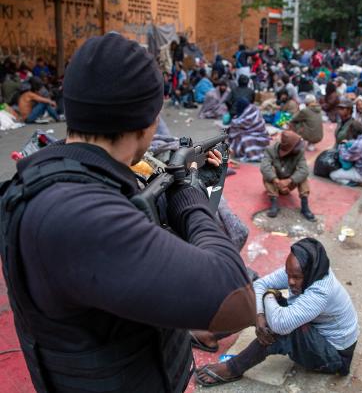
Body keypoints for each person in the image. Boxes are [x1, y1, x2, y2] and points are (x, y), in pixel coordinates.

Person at [0, 33, 256, 393]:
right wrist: (191, 196)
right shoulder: (79, 215)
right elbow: (237, 300)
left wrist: (176, 189)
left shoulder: (65, 174)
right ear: (146, 122)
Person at [195, 239, 359, 387]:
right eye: (289, 275)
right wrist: (259, 315)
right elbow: (260, 284)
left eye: (296, 277)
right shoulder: (302, 269)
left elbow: (280, 324)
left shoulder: (321, 292)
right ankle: (212, 335)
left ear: (309, 273)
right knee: (257, 303)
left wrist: (269, 295)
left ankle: (233, 369)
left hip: (334, 355)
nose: (290, 281)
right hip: (316, 332)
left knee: (280, 330)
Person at [260, 130, 315, 221]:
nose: (299, 148)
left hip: (290, 182)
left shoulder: (299, 152)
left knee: (303, 175)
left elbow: (304, 169)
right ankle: (274, 203)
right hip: (275, 184)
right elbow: (264, 167)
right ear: (289, 148)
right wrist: (277, 181)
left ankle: (305, 206)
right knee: (268, 171)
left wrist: (289, 181)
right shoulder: (270, 150)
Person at [330, 121, 362, 188]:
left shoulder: (359, 144)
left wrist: (342, 145)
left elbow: (345, 156)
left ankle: (359, 183)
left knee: (333, 175)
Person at [228, 98, 270, 162]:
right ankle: (241, 152)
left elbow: (245, 122)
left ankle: (252, 155)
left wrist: (235, 124)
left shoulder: (252, 111)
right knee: (237, 137)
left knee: (245, 139)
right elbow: (238, 122)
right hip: (249, 132)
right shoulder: (244, 111)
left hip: (260, 135)